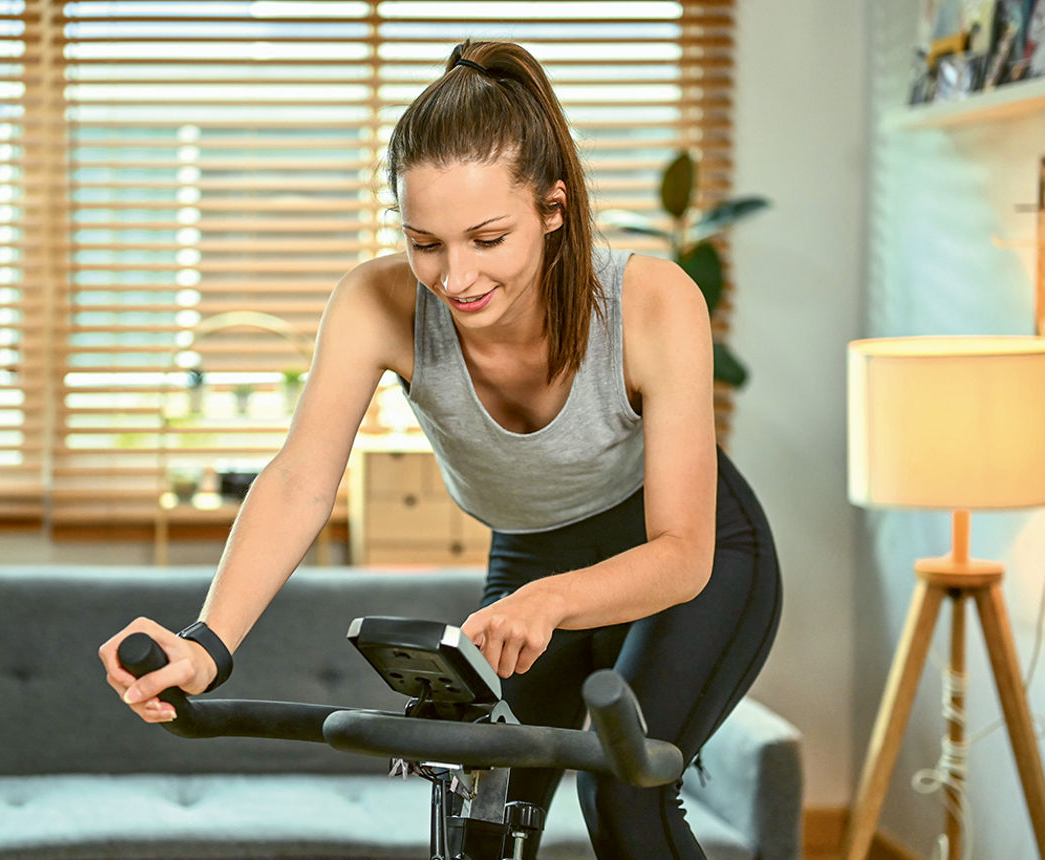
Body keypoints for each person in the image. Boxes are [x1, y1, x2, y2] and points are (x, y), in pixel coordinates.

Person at [99, 39, 782, 859]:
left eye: (488, 239)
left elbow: (683, 552)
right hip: (531, 554)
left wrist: (554, 601)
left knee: (624, 792)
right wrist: (207, 644)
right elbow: (299, 481)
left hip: (685, 559)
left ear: (554, 208)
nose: (456, 278)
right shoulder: (374, 302)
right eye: (426, 243)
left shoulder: (652, 301)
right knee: (485, 811)